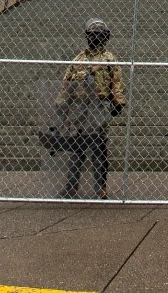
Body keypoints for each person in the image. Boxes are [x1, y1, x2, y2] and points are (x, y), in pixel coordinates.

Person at [53, 17, 126, 199]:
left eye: (100, 35)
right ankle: (71, 187)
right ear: (87, 36)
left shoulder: (109, 58)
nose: (96, 38)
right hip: (79, 107)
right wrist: (61, 104)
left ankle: (100, 189)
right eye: (93, 35)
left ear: (106, 37)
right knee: (76, 149)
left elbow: (116, 82)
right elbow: (66, 82)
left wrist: (118, 101)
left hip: (99, 106)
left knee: (98, 148)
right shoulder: (78, 59)